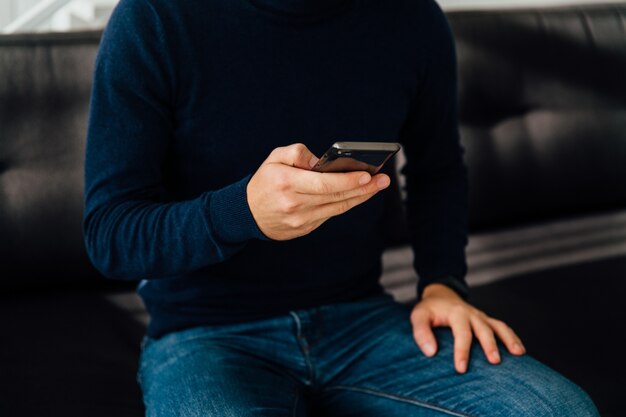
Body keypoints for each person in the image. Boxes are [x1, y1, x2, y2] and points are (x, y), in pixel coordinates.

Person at [84, 0, 600, 415]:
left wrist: (443, 284)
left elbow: (438, 171)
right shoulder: (153, 19)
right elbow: (110, 234)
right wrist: (241, 212)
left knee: (561, 410)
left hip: (362, 320)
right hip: (205, 335)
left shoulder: (412, 18)